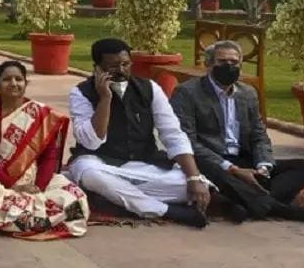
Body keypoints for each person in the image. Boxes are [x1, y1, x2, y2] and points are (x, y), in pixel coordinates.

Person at [170, 40, 304, 226]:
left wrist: (263, 166)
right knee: (218, 173)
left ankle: (240, 205)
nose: (229, 66)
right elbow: (187, 141)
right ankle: (289, 211)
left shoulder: (247, 93)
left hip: (243, 159)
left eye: (234, 62)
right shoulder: (187, 93)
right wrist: (233, 169)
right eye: (222, 62)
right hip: (212, 162)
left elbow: (258, 134)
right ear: (208, 65)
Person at [66, 38, 212, 228]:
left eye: (125, 64)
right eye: (112, 66)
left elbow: (172, 134)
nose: (121, 71)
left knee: (198, 186)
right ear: (98, 68)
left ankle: (116, 199)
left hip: (144, 166)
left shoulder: (150, 88)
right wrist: (105, 99)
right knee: (89, 174)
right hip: (101, 163)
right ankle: (166, 211)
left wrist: (194, 178)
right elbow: (92, 142)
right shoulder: (80, 93)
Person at [0, 60, 89, 238]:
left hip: (33, 177)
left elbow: (50, 156)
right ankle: (36, 218)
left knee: (76, 197)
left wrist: (38, 187)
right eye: (7, 79)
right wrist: (11, 184)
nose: (13, 83)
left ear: (26, 83)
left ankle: (12, 218)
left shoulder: (41, 115)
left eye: (18, 79)